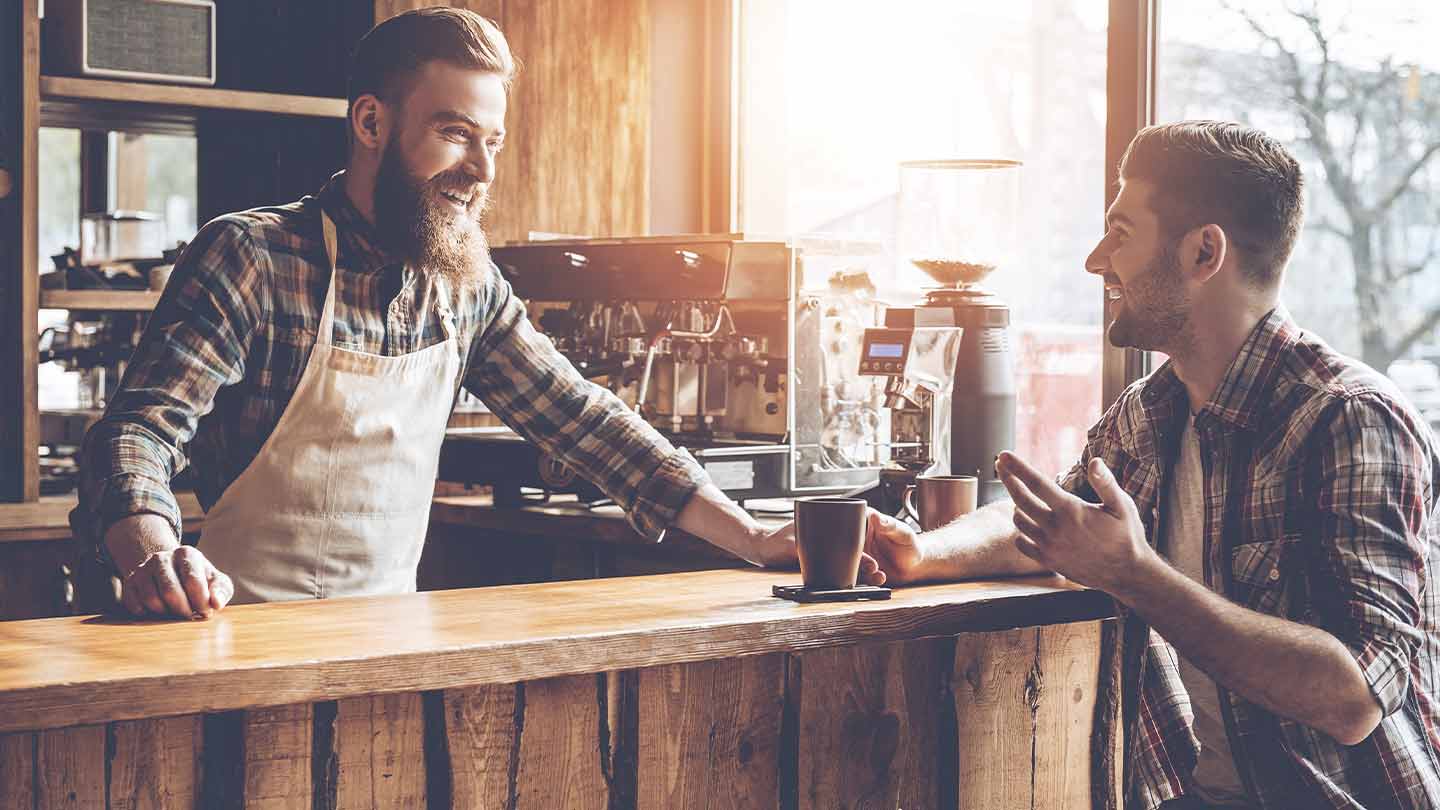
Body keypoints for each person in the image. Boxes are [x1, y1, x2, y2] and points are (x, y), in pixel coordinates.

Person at [73, 7, 882, 616]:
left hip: (393, 640)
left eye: (492, 141)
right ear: (370, 123)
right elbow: (138, 432)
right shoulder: (253, 256)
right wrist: (152, 550)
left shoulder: (466, 285)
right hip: (233, 637)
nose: (481, 169)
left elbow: (584, 422)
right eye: (456, 134)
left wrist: (752, 537)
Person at [865, 121, 1440, 809]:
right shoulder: (1151, 410)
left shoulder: (1348, 417)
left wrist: (1134, 575)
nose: (1095, 261)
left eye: (1122, 233)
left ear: (1204, 252)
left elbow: (1355, 699)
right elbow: (1051, 519)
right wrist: (921, 556)